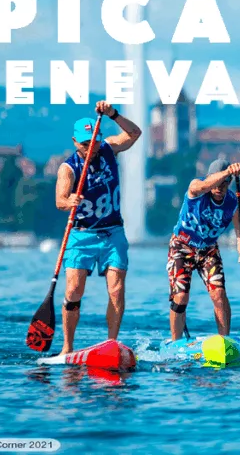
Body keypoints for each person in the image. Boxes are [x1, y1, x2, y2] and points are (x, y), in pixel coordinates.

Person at [54, 101, 141, 355]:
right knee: (73, 289)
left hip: (113, 232)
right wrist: (69, 200)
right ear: (74, 141)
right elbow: (59, 200)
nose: (90, 147)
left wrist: (113, 114)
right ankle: (67, 348)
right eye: (84, 143)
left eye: (93, 141)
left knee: (116, 288)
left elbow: (135, 134)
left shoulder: (109, 148)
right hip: (82, 234)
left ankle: (111, 344)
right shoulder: (68, 168)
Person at [167, 158, 240, 341]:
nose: (220, 187)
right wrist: (227, 172)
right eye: (218, 182)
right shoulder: (197, 187)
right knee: (181, 297)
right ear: (211, 177)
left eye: (225, 184)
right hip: (181, 246)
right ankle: (175, 342)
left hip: (208, 250)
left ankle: (224, 341)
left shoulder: (234, 204)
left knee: (218, 293)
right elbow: (203, 185)